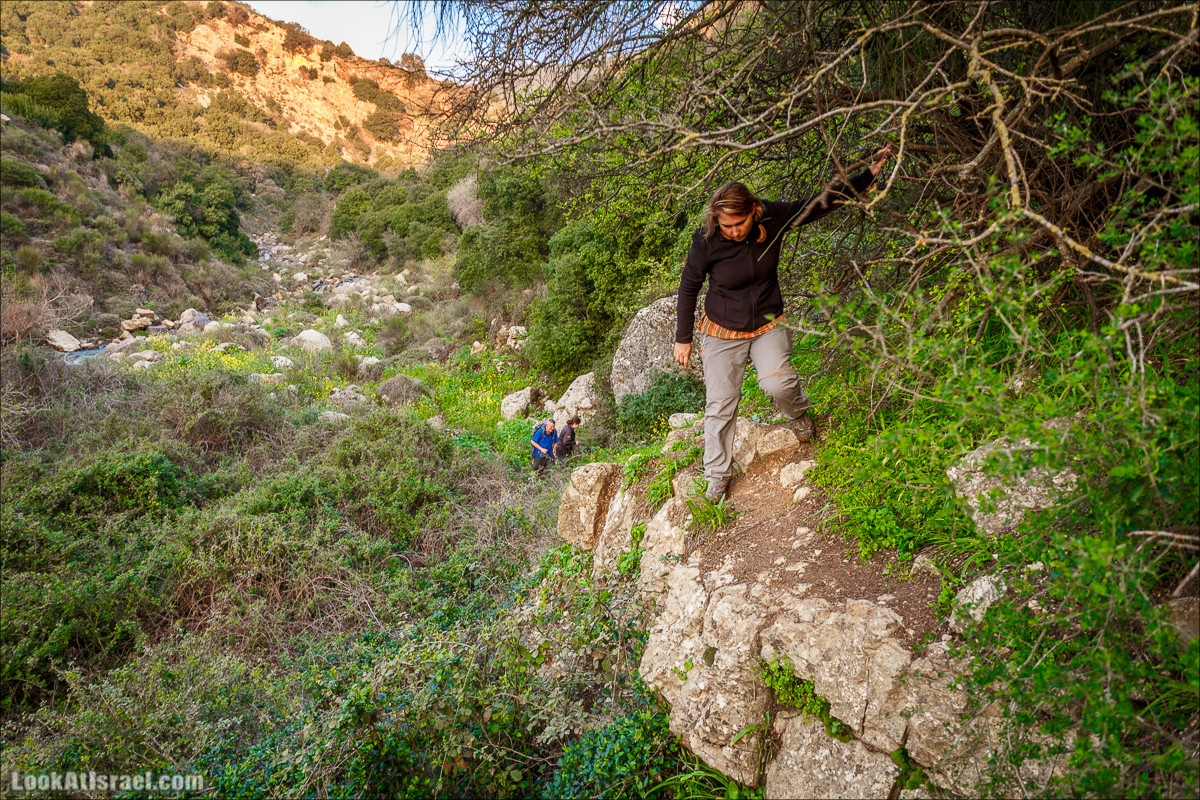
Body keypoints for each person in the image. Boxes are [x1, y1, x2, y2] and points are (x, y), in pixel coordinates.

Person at [675, 144, 894, 502]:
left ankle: (799, 415)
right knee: (720, 403)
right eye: (726, 225)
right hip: (721, 331)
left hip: (766, 322)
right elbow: (688, 287)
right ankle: (717, 476)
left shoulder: (773, 217)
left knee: (778, 382)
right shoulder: (707, 240)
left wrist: (867, 177)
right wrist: (683, 338)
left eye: (739, 223)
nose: (733, 231)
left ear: (754, 211)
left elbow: (819, 204)